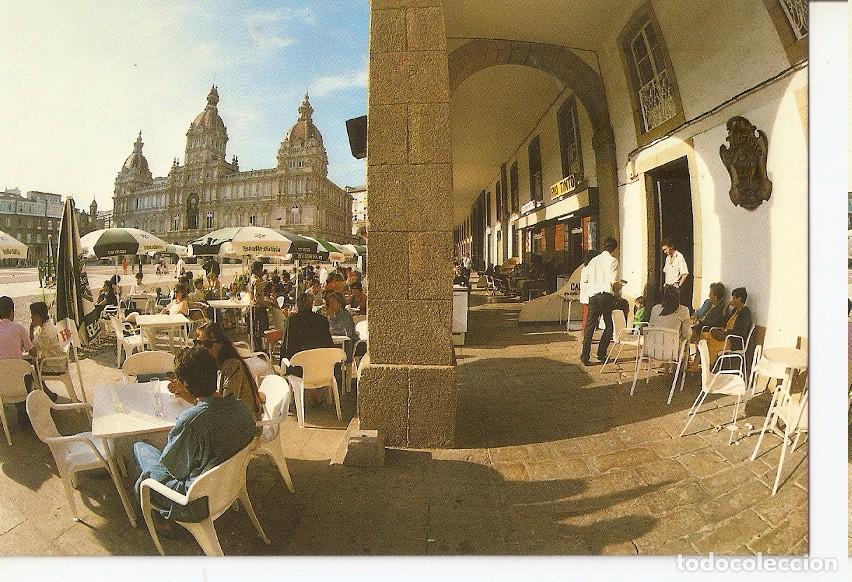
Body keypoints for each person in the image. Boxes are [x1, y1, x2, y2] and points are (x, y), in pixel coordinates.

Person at [133, 347, 256, 527]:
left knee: (140, 448)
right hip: (229, 486)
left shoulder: (190, 422)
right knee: (149, 451)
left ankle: (156, 520)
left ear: (184, 384)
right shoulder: (242, 409)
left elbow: (172, 469)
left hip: (193, 502)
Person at [167, 323, 265, 420]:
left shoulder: (232, 366)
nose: (201, 348)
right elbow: (211, 402)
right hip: (226, 421)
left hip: (245, 426)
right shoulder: (210, 364)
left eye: (206, 344)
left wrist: (189, 396)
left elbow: (224, 407)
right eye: (197, 343)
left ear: (221, 345)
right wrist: (184, 388)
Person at [580, 237, 619, 366]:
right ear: (614, 248)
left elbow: (589, 278)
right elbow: (613, 283)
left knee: (590, 325)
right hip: (605, 295)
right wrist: (619, 287)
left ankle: (585, 355)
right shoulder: (613, 261)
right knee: (609, 325)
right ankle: (601, 353)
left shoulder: (593, 261)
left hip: (593, 295)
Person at [696, 287, 753, 369]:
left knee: (707, 340)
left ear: (739, 299)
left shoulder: (745, 313)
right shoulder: (735, 311)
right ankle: (699, 365)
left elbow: (740, 331)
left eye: (734, 298)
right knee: (704, 336)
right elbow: (724, 322)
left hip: (733, 341)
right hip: (727, 336)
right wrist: (726, 307)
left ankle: (709, 366)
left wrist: (727, 331)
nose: (732, 300)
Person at [0, 296, 36, 425]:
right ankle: (23, 409)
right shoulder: (19, 328)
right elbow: (33, 352)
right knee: (28, 374)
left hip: (1, 385)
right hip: (18, 384)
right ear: (11, 312)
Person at [280, 292, 333, 367]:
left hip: (298, 367)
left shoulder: (291, 321)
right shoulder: (322, 320)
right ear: (311, 304)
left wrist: (282, 366)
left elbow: (285, 346)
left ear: (298, 305)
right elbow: (328, 344)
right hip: (319, 365)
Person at [29, 302, 67, 376]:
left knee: (31, 369)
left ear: (38, 316)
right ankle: (43, 387)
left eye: (32, 315)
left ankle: (41, 387)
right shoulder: (48, 325)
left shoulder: (46, 332)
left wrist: (31, 329)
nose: (31, 317)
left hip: (55, 365)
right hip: (59, 361)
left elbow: (34, 351)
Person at [326, 291, 358, 359]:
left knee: (347, 343)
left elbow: (347, 332)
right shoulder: (332, 315)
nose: (330, 305)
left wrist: (331, 319)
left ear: (339, 303)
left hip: (347, 342)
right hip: (335, 341)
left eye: (332, 302)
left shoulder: (346, 315)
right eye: (329, 302)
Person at [578, 249, 600, 333]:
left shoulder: (586, 268)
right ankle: (585, 335)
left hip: (586, 296)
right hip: (588, 296)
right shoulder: (589, 269)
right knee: (588, 318)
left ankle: (585, 334)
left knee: (586, 317)